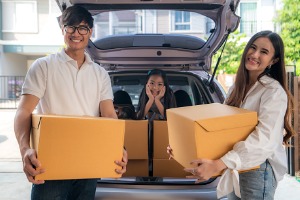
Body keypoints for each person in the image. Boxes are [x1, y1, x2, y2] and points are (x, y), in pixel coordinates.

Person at [14, 5, 127, 200]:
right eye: (70, 27)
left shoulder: (100, 74)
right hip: (50, 166)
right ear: (62, 30)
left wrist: (119, 148)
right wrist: (25, 150)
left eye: (82, 28)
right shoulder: (44, 66)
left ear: (90, 32)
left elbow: (109, 115)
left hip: (88, 166)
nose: (76, 33)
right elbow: (23, 111)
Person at [168, 30, 295, 200]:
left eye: (264, 52)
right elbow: (222, 129)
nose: (255, 54)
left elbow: (264, 140)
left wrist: (218, 164)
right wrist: (181, 147)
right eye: (253, 47)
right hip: (234, 165)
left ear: (273, 60)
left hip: (258, 167)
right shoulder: (236, 88)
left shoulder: (273, 92)